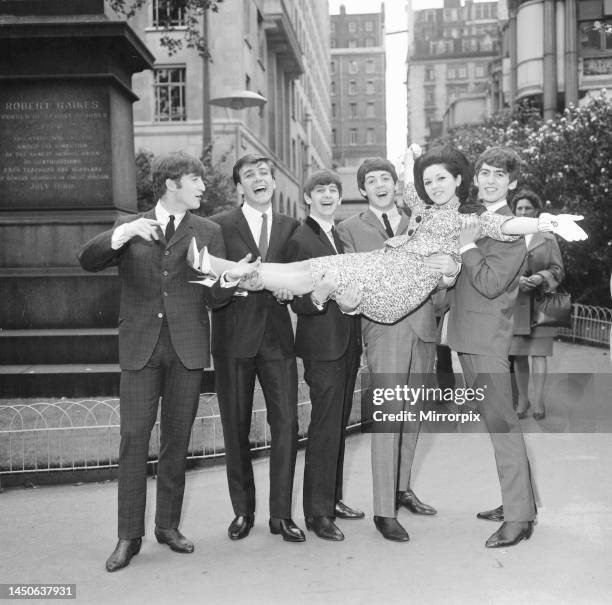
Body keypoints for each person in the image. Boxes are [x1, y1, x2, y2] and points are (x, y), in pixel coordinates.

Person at [78, 151, 254, 572]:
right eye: (196, 180)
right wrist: (121, 236)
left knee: (177, 441)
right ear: (173, 183)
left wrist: (228, 280)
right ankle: (128, 535)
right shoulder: (131, 226)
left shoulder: (208, 230)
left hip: (188, 348)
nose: (203, 187)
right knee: (134, 440)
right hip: (141, 347)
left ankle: (168, 526)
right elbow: (87, 259)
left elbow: (212, 297)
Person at [200, 148, 586, 325]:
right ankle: (235, 273)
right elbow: (409, 186)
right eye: (429, 179)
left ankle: (234, 272)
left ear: (458, 181)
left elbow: (504, 226)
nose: (433, 186)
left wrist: (547, 223)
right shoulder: (425, 208)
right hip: (387, 270)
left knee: (314, 270)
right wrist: (408, 158)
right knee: (312, 269)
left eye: (442, 179)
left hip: (399, 286)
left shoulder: (468, 217)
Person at [336, 156, 455, 542]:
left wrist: (442, 290)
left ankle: (402, 489)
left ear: (396, 183)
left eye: (386, 178)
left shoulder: (419, 221)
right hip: (384, 331)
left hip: (422, 329)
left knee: (412, 415)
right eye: (372, 180)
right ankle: (383, 511)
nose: (380, 185)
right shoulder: (349, 229)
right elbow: (350, 279)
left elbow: (440, 278)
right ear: (363, 190)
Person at [209, 154, 305, 543]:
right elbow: (207, 286)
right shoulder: (218, 226)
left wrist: (288, 294)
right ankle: (242, 512)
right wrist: (233, 281)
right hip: (233, 340)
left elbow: (302, 281)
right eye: (249, 175)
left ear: (274, 182)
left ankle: (281, 516)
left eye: (264, 173)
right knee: (236, 427)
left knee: (288, 426)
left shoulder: (290, 227)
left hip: (279, 341)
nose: (259, 179)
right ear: (239, 187)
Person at [446, 146, 538, 548]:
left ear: (512, 183)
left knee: (503, 428)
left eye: (499, 175)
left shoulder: (512, 228)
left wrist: (466, 248)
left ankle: (519, 519)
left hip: (486, 341)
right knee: (496, 425)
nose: (489, 180)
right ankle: (518, 502)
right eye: (485, 172)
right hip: (468, 336)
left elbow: (487, 283)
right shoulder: (475, 220)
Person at [284, 169, 364, 541]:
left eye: (333, 189)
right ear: (307, 198)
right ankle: (317, 514)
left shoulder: (340, 236)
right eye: (320, 190)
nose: (328, 195)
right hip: (322, 348)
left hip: (347, 343)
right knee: (325, 428)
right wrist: (319, 297)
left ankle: (332, 499)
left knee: (339, 426)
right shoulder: (301, 238)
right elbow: (296, 296)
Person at [509, 189, 565, 421]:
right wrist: (516, 280)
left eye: (527, 208)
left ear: (536, 212)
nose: (523, 211)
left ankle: (539, 402)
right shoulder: (508, 237)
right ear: (514, 211)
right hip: (515, 305)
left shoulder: (549, 238)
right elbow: (498, 270)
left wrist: (542, 277)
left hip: (542, 305)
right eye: (519, 208)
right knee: (519, 356)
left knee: (539, 355)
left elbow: (558, 270)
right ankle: (523, 401)